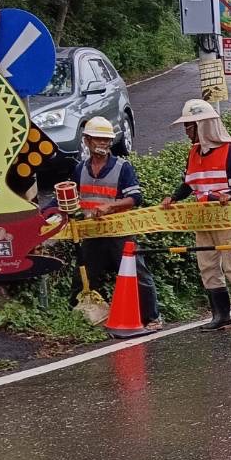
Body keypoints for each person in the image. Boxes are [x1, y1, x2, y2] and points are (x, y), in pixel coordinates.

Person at [160, 99, 231, 330]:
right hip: (202, 220)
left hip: (225, 219)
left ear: (203, 125)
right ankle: (220, 315)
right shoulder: (194, 152)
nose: (186, 131)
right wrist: (173, 197)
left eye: (189, 126)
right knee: (207, 265)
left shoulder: (230, 150)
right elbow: (189, 184)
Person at [70, 116, 160, 329]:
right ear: (87, 141)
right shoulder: (80, 169)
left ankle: (153, 318)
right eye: (97, 140)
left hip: (120, 232)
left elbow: (136, 197)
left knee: (137, 273)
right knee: (84, 276)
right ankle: (83, 318)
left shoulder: (122, 167)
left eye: (106, 140)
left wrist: (111, 207)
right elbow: (71, 197)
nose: (102, 144)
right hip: (93, 233)